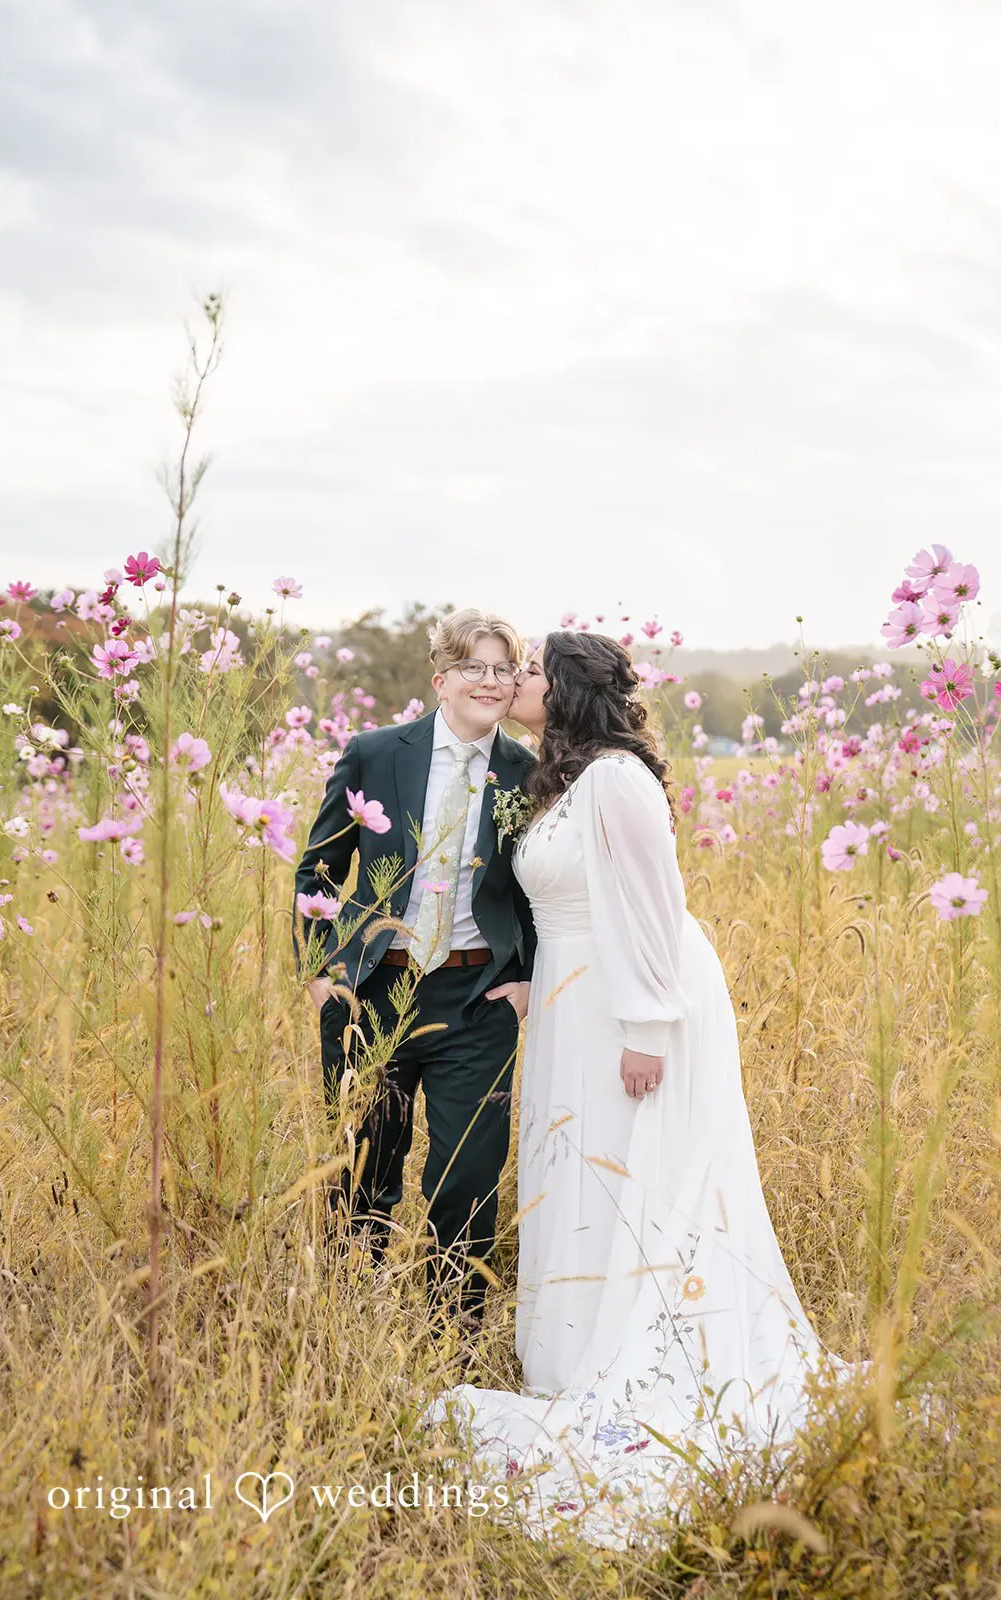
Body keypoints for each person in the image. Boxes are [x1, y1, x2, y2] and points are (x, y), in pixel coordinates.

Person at [423, 630, 849, 1545]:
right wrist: (533, 980)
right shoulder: (566, 778)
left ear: (565, 688)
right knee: (580, 1167)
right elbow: (560, 901)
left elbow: (656, 904)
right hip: (572, 998)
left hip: (629, 999)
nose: (514, 680)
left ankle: (641, 1350)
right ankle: (574, 1348)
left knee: (633, 1171)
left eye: (529, 669)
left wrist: (648, 1026)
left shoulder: (617, 777)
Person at [292, 608, 538, 1333]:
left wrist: (526, 979)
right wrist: (320, 971)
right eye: (472, 667)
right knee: (363, 1163)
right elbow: (318, 869)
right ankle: (353, 1321)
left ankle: (453, 1335)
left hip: (477, 999)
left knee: (467, 1173)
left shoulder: (529, 774)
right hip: (372, 990)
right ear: (440, 679)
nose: (489, 681)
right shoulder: (374, 754)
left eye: (503, 669)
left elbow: (539, 891)